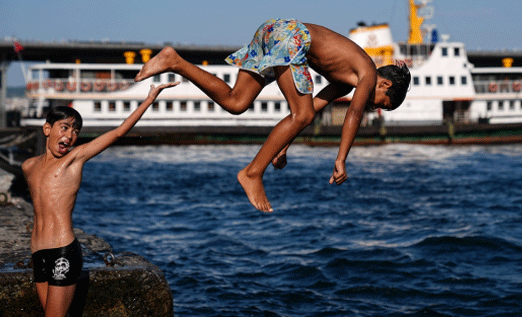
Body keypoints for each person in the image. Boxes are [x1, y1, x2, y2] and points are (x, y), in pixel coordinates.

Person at [134, 18, 411, 213]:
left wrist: (284, 145)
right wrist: (341, 159)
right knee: (300, 114)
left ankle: (174, 61)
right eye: (382, 103)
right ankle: (252, 173)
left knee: (236, 101)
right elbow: (352, 114)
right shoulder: (367, 72)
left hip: (273, 31)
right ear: (384, 85)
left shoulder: (348, 77)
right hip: (291, 37)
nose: (375, 107)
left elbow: (314, 106)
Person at [22, 82, 177, 317]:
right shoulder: (28, 166)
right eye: (64, 128)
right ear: (47, 129)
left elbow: (118, 132)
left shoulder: (74, 160)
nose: (70, 136)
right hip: (38, 252)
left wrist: (149, 98)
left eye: (75, 131)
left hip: (63, 250)